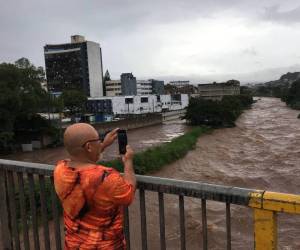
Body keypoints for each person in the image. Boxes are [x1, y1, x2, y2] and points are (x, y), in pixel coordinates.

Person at [54, 123, 136, 250]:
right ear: (88, 146)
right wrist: (128, 163)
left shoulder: (60, 169)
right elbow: (128, 195)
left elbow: (83, 161)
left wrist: (103, 145)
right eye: (98, 140)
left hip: (73, 245)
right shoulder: (107, 176)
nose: (100, 141)